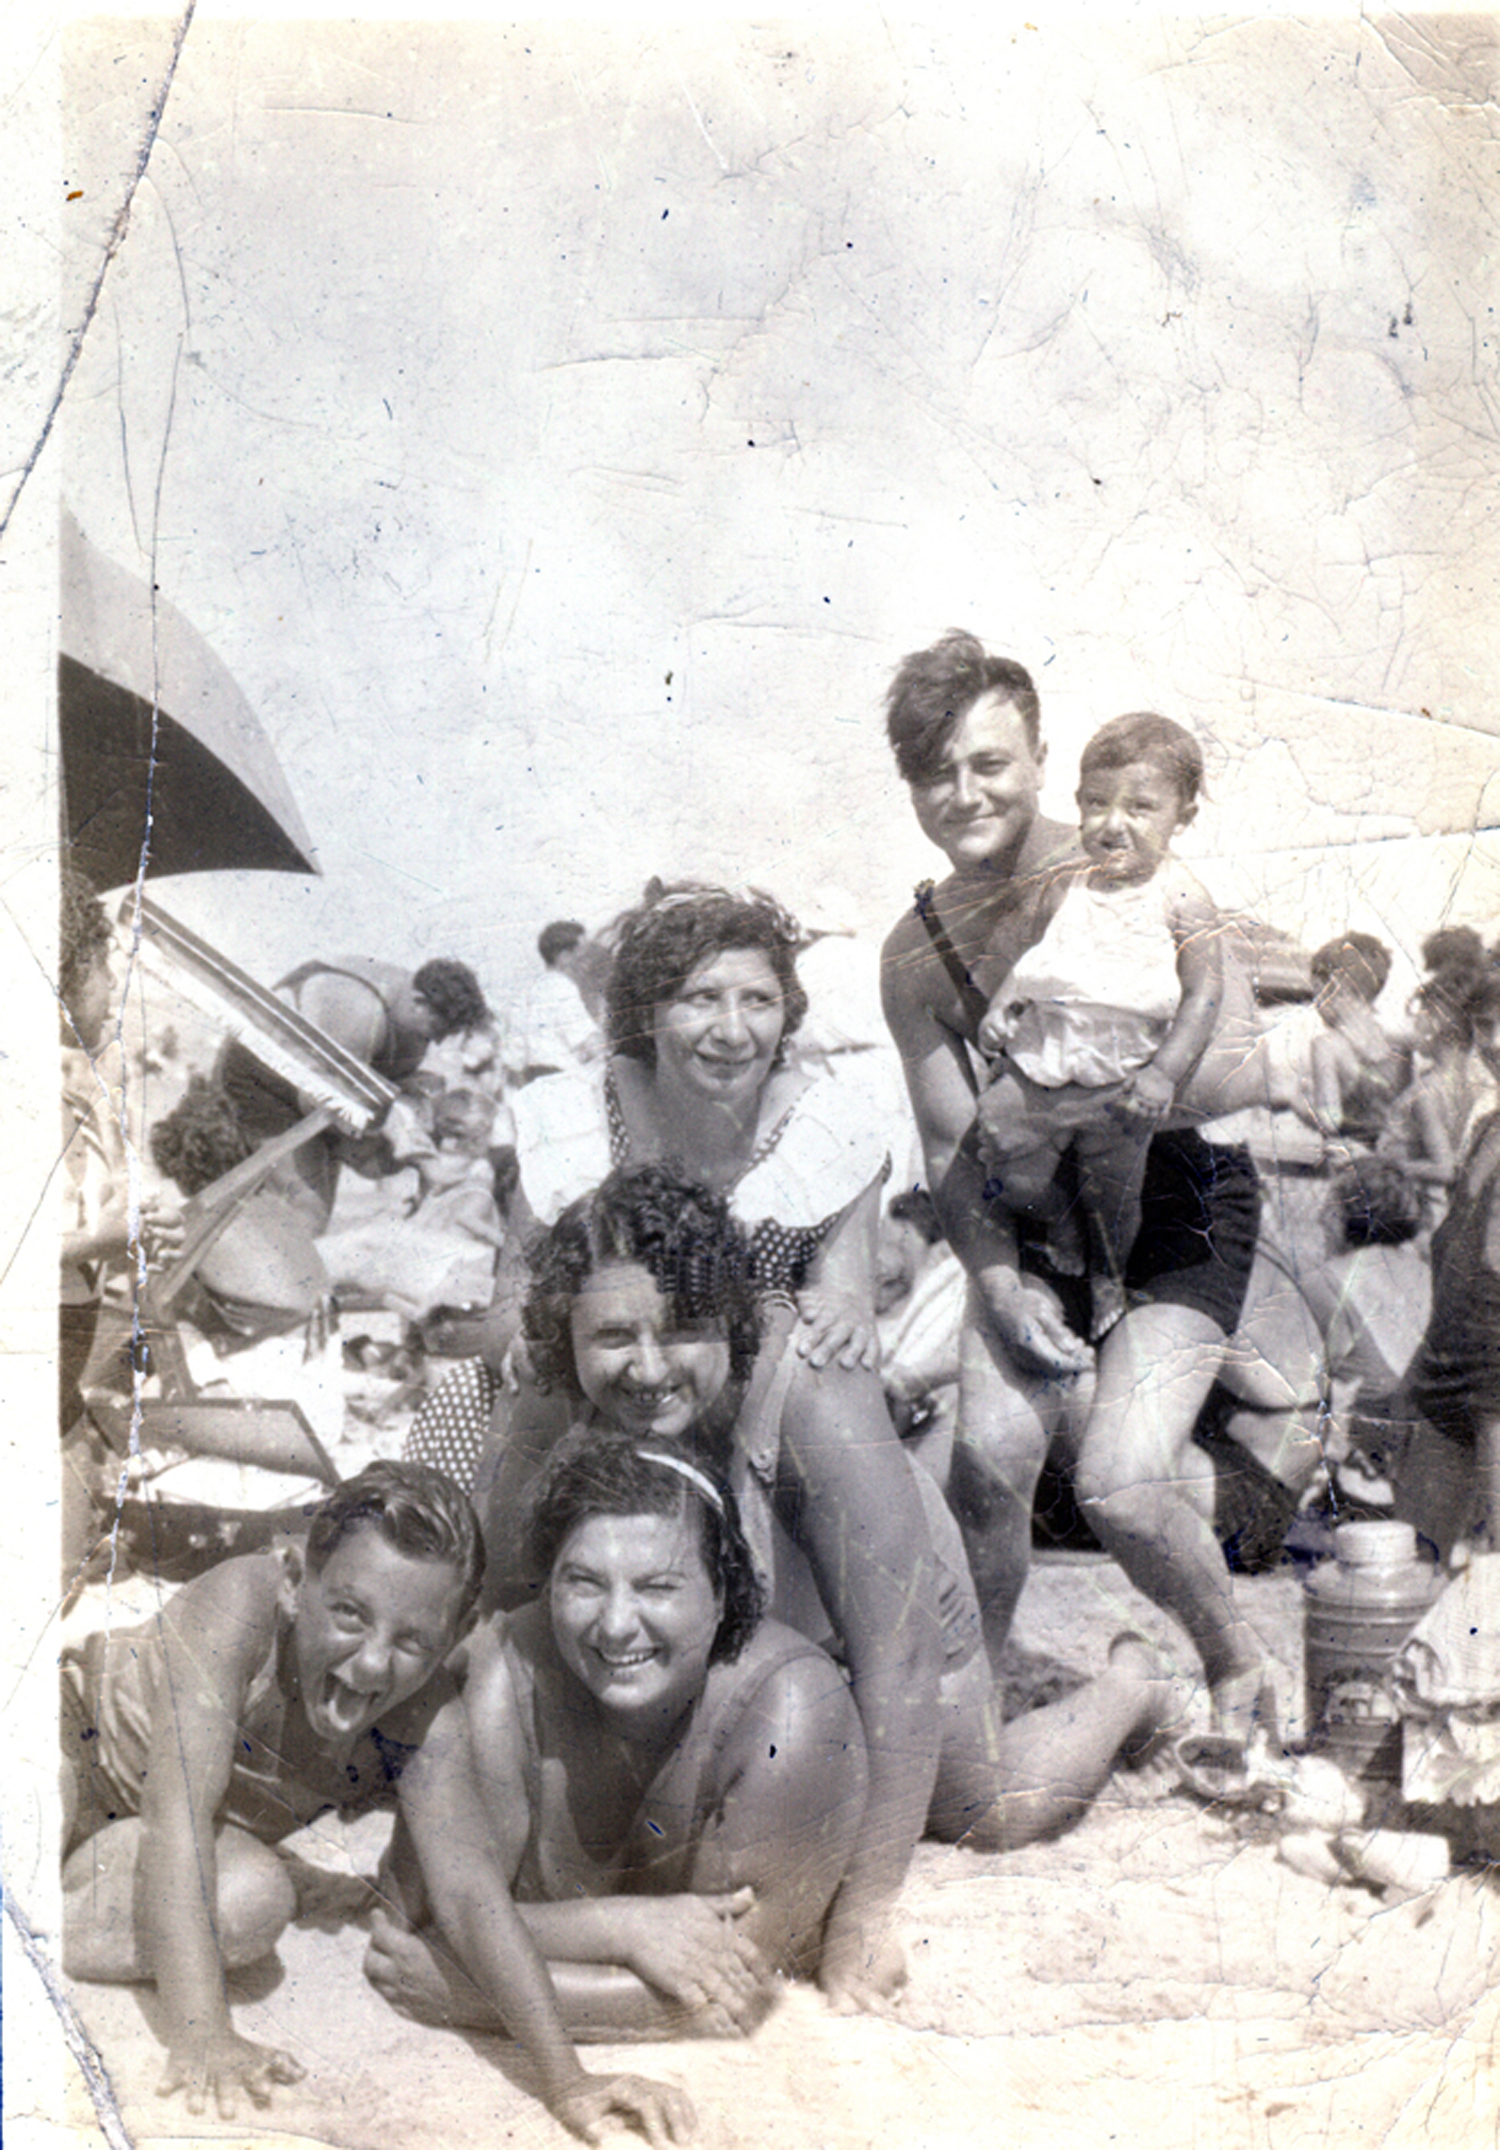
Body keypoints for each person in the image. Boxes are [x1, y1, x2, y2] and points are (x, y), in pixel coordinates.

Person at [483, 886, 945, 2008]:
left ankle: (1132, 1690)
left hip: (782, 1426)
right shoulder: (569, 1119)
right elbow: (510, 1295)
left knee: (992, 1787)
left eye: (757, 999)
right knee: (496, 1405)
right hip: (646, 1379)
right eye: (698, 998)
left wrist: (869, 1910)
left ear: (789, 1012)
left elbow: (845, 1293)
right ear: (645, 1009)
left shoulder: (824, 1126)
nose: (730, 1027)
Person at [479, 1172, 1177, 1871]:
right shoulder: (546, 1381)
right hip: (716, 1609)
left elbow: (897, 1667)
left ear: (730, 1312)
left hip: (868, 1587)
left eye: (682, 1325)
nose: (648, 1367)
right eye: (612, 1336)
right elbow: (507, 1604)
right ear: (566, 1328)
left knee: (979, 1810)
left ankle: (1132, 1684)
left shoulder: (809, 1385)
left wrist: (862, 1922)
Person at [61, 1460, 688, 2145]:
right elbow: (177, 1820)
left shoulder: (421, 1716)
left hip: (136, 1836)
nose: (370, 1665)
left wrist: (569, 2083)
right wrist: (204, 2034)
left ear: (453, 1636)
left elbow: (472, 1898)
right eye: (351, 1616)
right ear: (297, 1582)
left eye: (413, 1641)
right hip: (72, 1744)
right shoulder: (240, 1605)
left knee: (250, 1904)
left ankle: (51, 1912)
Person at [879, 631, 1268, 1732]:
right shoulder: (916, 953)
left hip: (1181, 1193)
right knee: (989, 1455)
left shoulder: (1127, 857)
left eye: (988, 763)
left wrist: (1052, 1102)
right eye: (934, 771)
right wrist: (998, 1283)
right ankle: (978, 1688)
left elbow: (1236, 1065)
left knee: (1122, 1484)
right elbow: (958, 1148)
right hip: (1032, 1215)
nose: (964, 793)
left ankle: (1237, 1661)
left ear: (1040, 757)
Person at [364, 1432, 869, 2041]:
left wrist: (469, 1994)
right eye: (583, 1582)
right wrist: (624, 1927)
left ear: (724, 1594)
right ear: (548, 1585)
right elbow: (415, 1920)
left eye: (658, 1587)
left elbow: (726, 1996)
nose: (616, 1625)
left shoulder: (789, 1712)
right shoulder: (505, 1670)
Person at [974, 711, 1223, 1337]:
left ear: (1182, 818)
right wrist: (1005, 1002)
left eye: (1140, 808)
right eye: (1096, 804)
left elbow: (1203, 994)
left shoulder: (1182, 896)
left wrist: (1165, 1073)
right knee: (1002, 1161)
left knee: (1112, 1197)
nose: (1114, 825)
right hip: (1045, 1058)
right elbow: (1039, 963)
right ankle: (1058, 1219)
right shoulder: (1067, 888)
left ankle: (1109, 1274)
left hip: (1122, 1080)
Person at [503, 920, 606, 1087]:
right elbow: (589, 1043)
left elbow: (515, 1056)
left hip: (531, 1085)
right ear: (564, 956)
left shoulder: (526, 993)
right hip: (564, 1084)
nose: (589, 958)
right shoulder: (562, 988)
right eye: (583, 951)